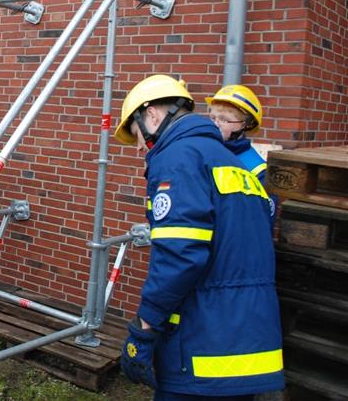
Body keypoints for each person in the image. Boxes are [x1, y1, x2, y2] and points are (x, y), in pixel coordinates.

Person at [113, 74, 283, 399]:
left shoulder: (178, 158)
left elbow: (180, 255)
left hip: (203, 346)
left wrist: (145, 329)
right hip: (249, 342)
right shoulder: (232, 161)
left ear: (152, 115)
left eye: (137, 135)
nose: (139, 147)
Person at [206, 84, 277, 221]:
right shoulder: (205, 151)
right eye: (213, 118)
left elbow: (262, 218)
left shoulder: (258, 170)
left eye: (224, 119)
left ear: (246, 124)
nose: (216, 124)